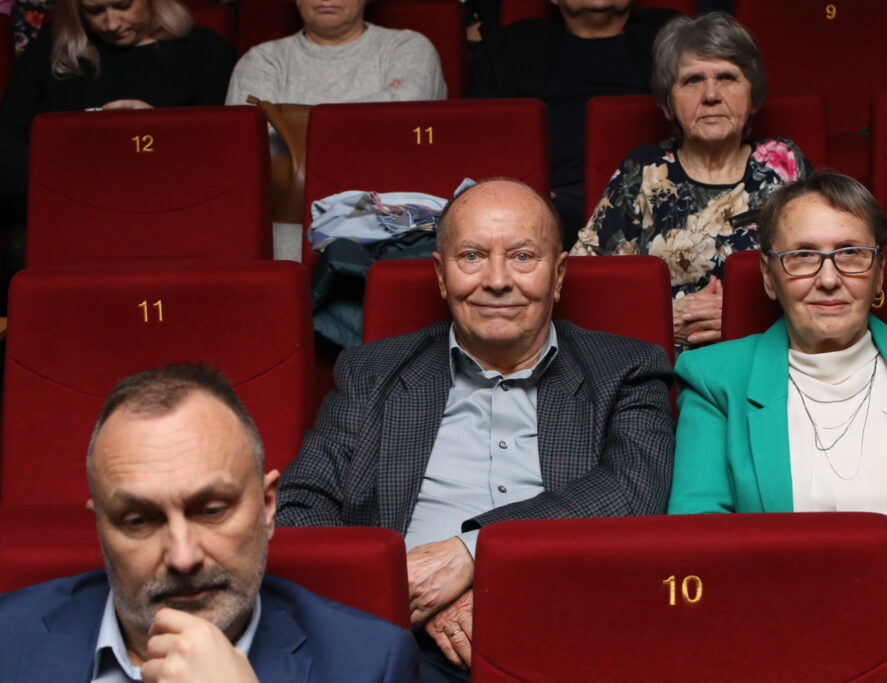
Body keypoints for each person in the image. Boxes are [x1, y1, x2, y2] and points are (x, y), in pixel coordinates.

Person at [276, 178, 675, 682]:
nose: (497, 280)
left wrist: (474, 552)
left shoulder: (625, 368)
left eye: (523, 257)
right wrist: (407, 597)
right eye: (472, 256)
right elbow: (298, 508)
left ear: (558, 275)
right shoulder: (371, 373)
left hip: (571, 634)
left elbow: (633, 492)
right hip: (404, 645)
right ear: (441, 276)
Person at [668, 173, 887, 680]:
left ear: (879, 272)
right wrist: (865, 574)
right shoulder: (715, 378)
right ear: (769, 275)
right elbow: (697, 541)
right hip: (789, 646)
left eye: (851, 254)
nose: (829, 278)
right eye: (802, 256)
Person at [0, 364, 419, 682]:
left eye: (212, 511)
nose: (183, 558)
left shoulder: (370, 664)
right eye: (140, 520)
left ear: (268, 507)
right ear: (100, 529)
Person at [572, 13, 811, 350]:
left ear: (753, 96)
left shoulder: (783, 163)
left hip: (768, 350)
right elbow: (581, 284)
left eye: (727, 77)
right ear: (668, 104)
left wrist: (742, 316)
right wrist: (660, 319)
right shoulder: (644, 169)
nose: (711, 94)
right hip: (662, 357)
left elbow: (824, 268)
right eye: (692, 80)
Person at [0, 0, 235, 307]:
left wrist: (161, 131)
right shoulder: (51, 48)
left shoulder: (207, 50)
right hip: (66, 211)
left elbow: (221, 157)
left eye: (123, 6)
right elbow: (8, 140)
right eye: (94, 11)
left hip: (164, 207)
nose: (111, 24)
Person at [469, 0, 679, 245]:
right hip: (547, 201)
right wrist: (521, 186)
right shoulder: (509, 48)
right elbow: (482, 134)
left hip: (657, 193)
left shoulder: (674, 39)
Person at [224, 0, 446, 110]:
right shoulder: (261, 60)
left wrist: (289, 122)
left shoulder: (408, 47)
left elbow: (404, 125)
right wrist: (381, 101)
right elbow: (251, 144)